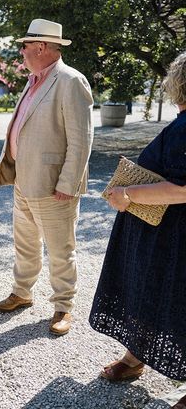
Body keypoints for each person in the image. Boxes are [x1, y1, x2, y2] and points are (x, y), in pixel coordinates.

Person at [90, 52, 186, 399]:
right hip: (167, 235)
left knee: (174, 296)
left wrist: (126, 194)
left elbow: (181, 189)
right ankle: (135, 357)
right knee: (154, 291)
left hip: (175, 236)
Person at [0, 19, 94, 336]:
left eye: (24, 46)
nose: (20, 51)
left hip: (53, 186)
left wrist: (67, 184)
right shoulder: (35, 79)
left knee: (61, 249)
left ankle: (64, 306)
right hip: (25, 179)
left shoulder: (71, 81)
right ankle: (22, 293)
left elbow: (82, 140)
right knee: (25, 244)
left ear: (40, 47)